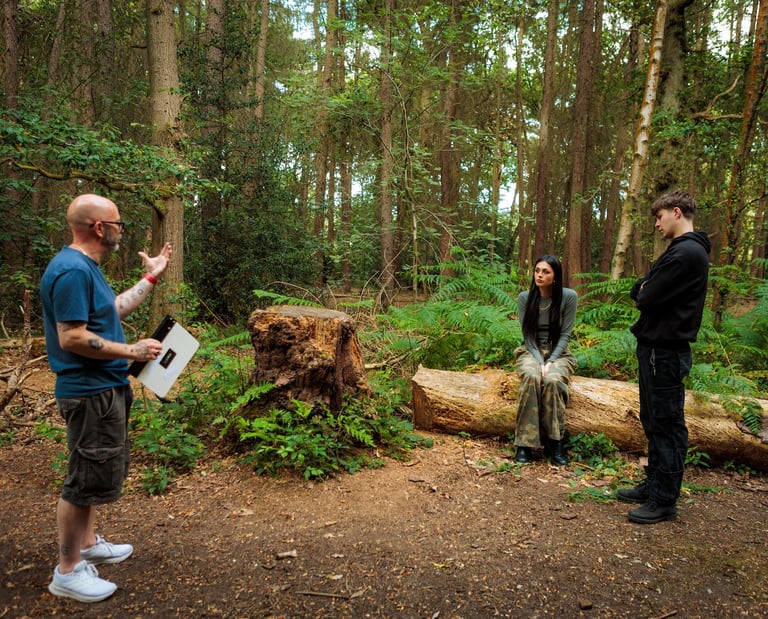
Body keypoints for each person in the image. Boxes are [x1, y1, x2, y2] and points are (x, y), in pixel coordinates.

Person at [40, 193, 172, 602]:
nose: (121, 230)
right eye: (118, 224)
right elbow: (72, 337)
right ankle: (68, 570)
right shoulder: (71, 271)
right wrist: (133, 350)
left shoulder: (86, 268)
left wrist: (150, 278)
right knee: (83, 479)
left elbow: (110, 310)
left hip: (105, 387)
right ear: (99, 228)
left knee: (95, 471)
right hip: (88, 391)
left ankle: (88, 543)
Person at [618, 190, 711, 524]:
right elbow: (641, 288)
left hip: (666, 350)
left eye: (659, 217)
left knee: (667, 424)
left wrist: (645, 290)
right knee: (653, 419)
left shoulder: (686, 253)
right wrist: (644, 288)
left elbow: (646, 296)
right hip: (656, 347)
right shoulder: (679, 251)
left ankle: (665, 499)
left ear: (676, 212)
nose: (657, 224)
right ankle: (654, 484)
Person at [513, 255, 578, 466]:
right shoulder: (525, 298)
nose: (539, 275)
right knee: (532, 377)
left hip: (559, 352)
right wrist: (540, 362)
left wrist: (550, 362)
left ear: (555, 276)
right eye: (537, 271)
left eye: (546, 272)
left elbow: (565, 335)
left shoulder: (569, 297)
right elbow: (528, 336)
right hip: (531, 351)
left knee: (553, 380)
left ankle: (554, 443)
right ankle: (524, 444)